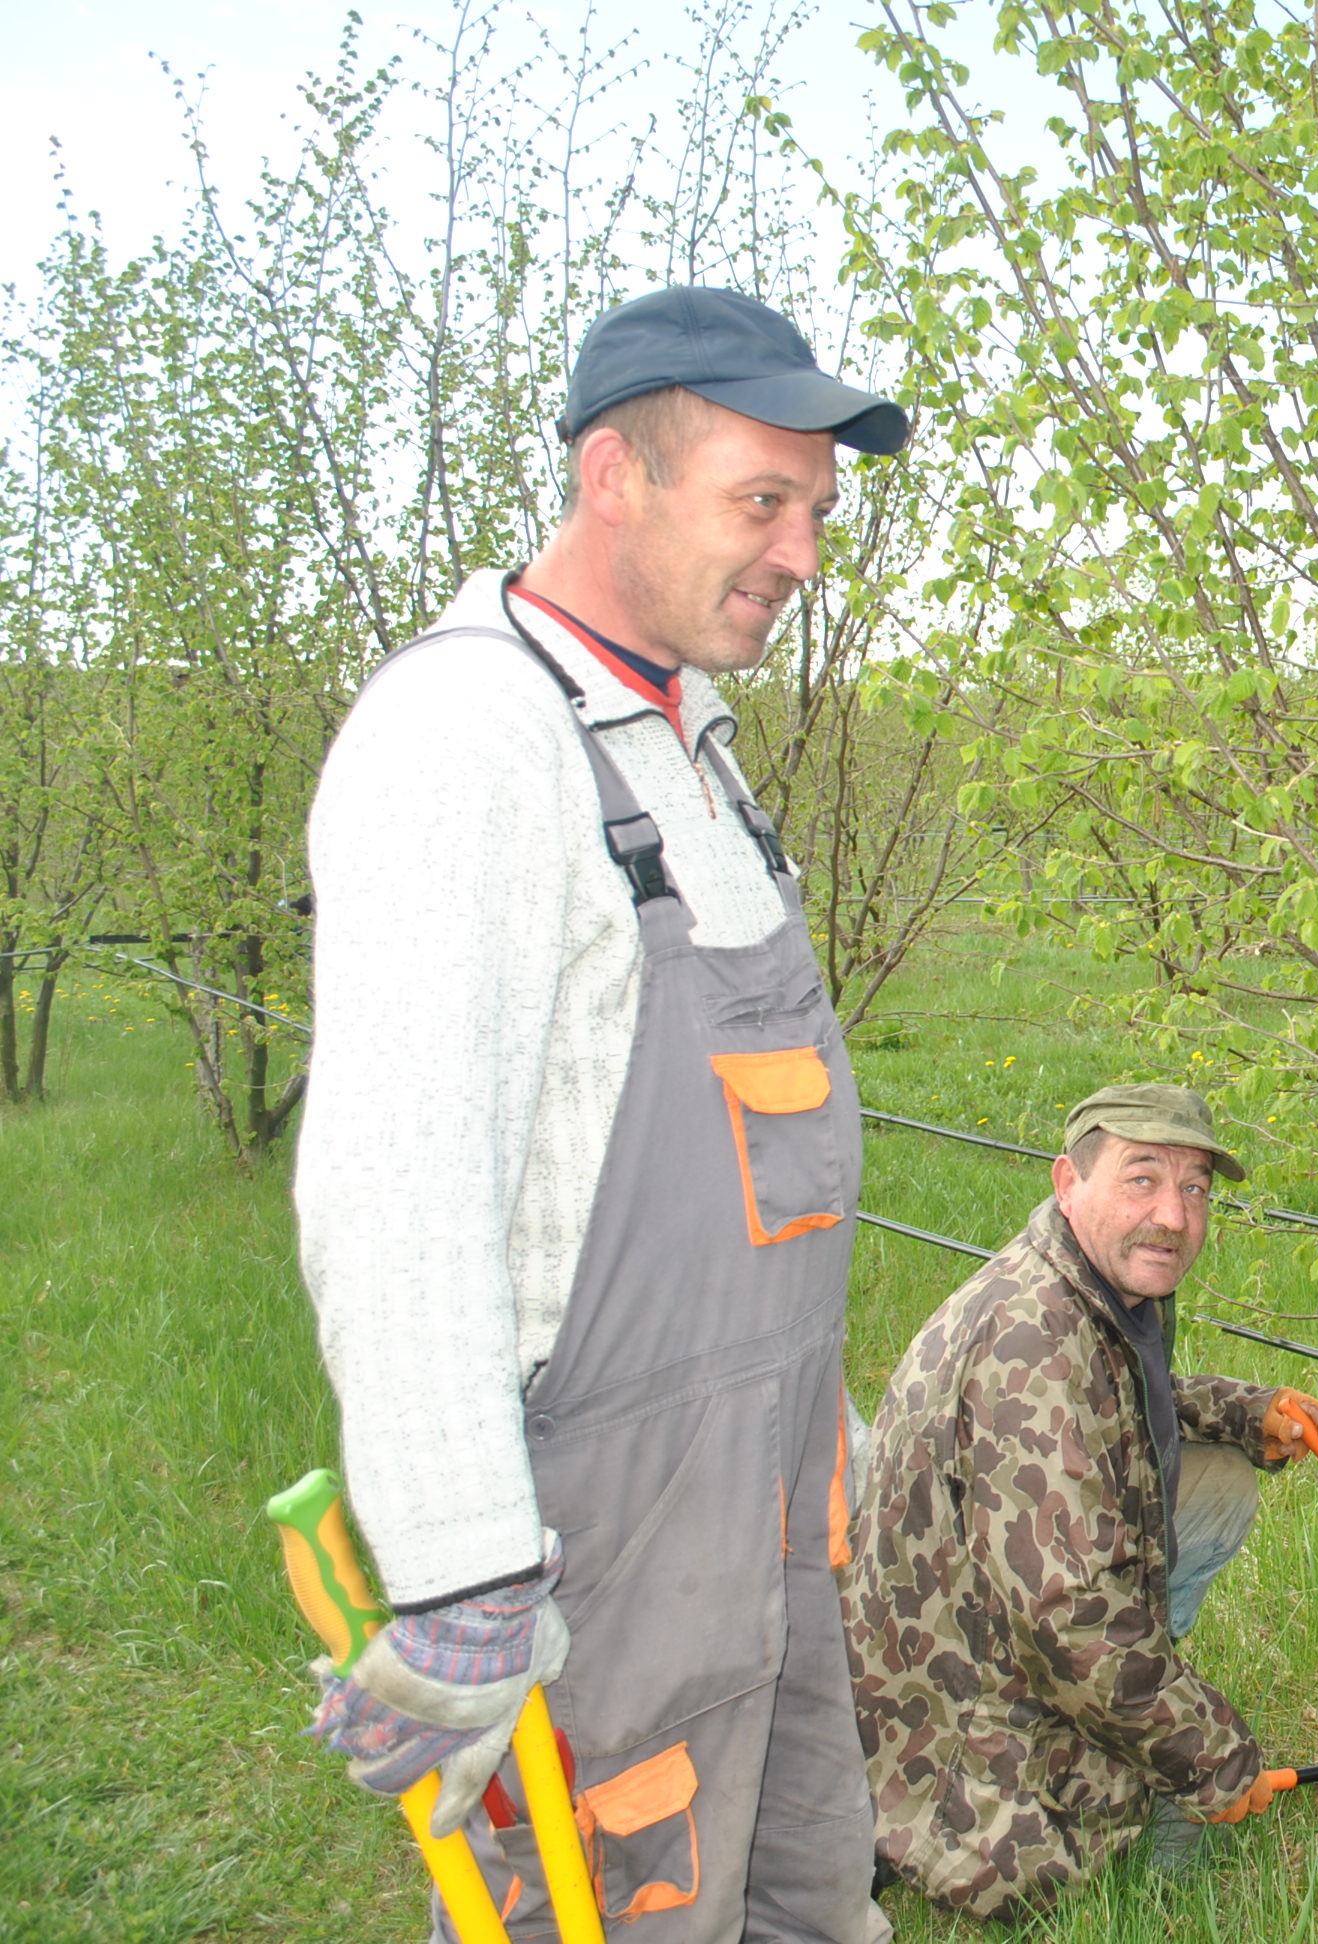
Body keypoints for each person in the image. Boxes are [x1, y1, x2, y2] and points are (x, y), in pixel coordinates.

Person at [295, 287, 910, 1940]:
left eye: (817, 512)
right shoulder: (470, 741)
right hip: (604, 1549)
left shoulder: (686, 744)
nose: (800, 552)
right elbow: (396, 1184)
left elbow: (747, 1180)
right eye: (760, 501)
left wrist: (815, 1414)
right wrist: (465, 1572)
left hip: (764, 1515)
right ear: (611, 476)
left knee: (798, 1885)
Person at [842, 1083, 1318, 1917]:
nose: (1174, 1217)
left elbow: (1122, 1396)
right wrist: (1211, 1756)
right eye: (1141, 1180)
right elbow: (1070, 1615)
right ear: (1068, 1182)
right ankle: (1132, 1735)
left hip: (991, 1611)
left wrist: (1246, 1414)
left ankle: (1143, 1701)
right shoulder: (1033, 1339)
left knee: (1219, 1480)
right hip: (951, 1706)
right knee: (1067, 1857)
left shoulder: (1091, 1286)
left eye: (1194, 1190)